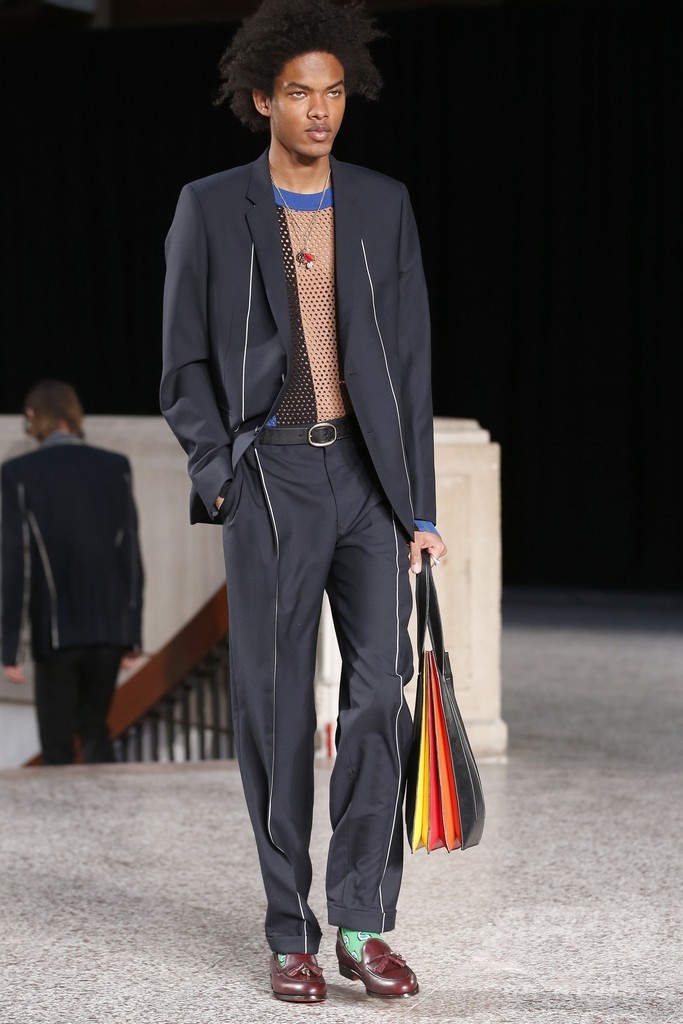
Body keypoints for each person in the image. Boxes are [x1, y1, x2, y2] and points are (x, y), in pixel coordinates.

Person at [161, 0, 446, 1003]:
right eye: (298, 93)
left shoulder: (381, 204)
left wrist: (418, 507)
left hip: (368, 481)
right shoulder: (210, 207)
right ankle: (290, 931)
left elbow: (409, 365)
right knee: (275, 710)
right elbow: (182, 365)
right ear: (261, 100)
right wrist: (221, 476)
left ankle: (362, 923)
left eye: (332, 92)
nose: (319, 110)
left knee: (377, 697)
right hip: (270, 478)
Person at [1, 380, 144, 765]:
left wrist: (10, 647)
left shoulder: (18, 473)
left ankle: (64, 810)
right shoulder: (115, 467)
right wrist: (132, 633)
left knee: (56, 743)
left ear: (33, 416)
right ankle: (106, 806)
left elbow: (17, 562)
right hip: (109, 631)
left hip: (57, 632)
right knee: (96, 729)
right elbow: (130, 555)